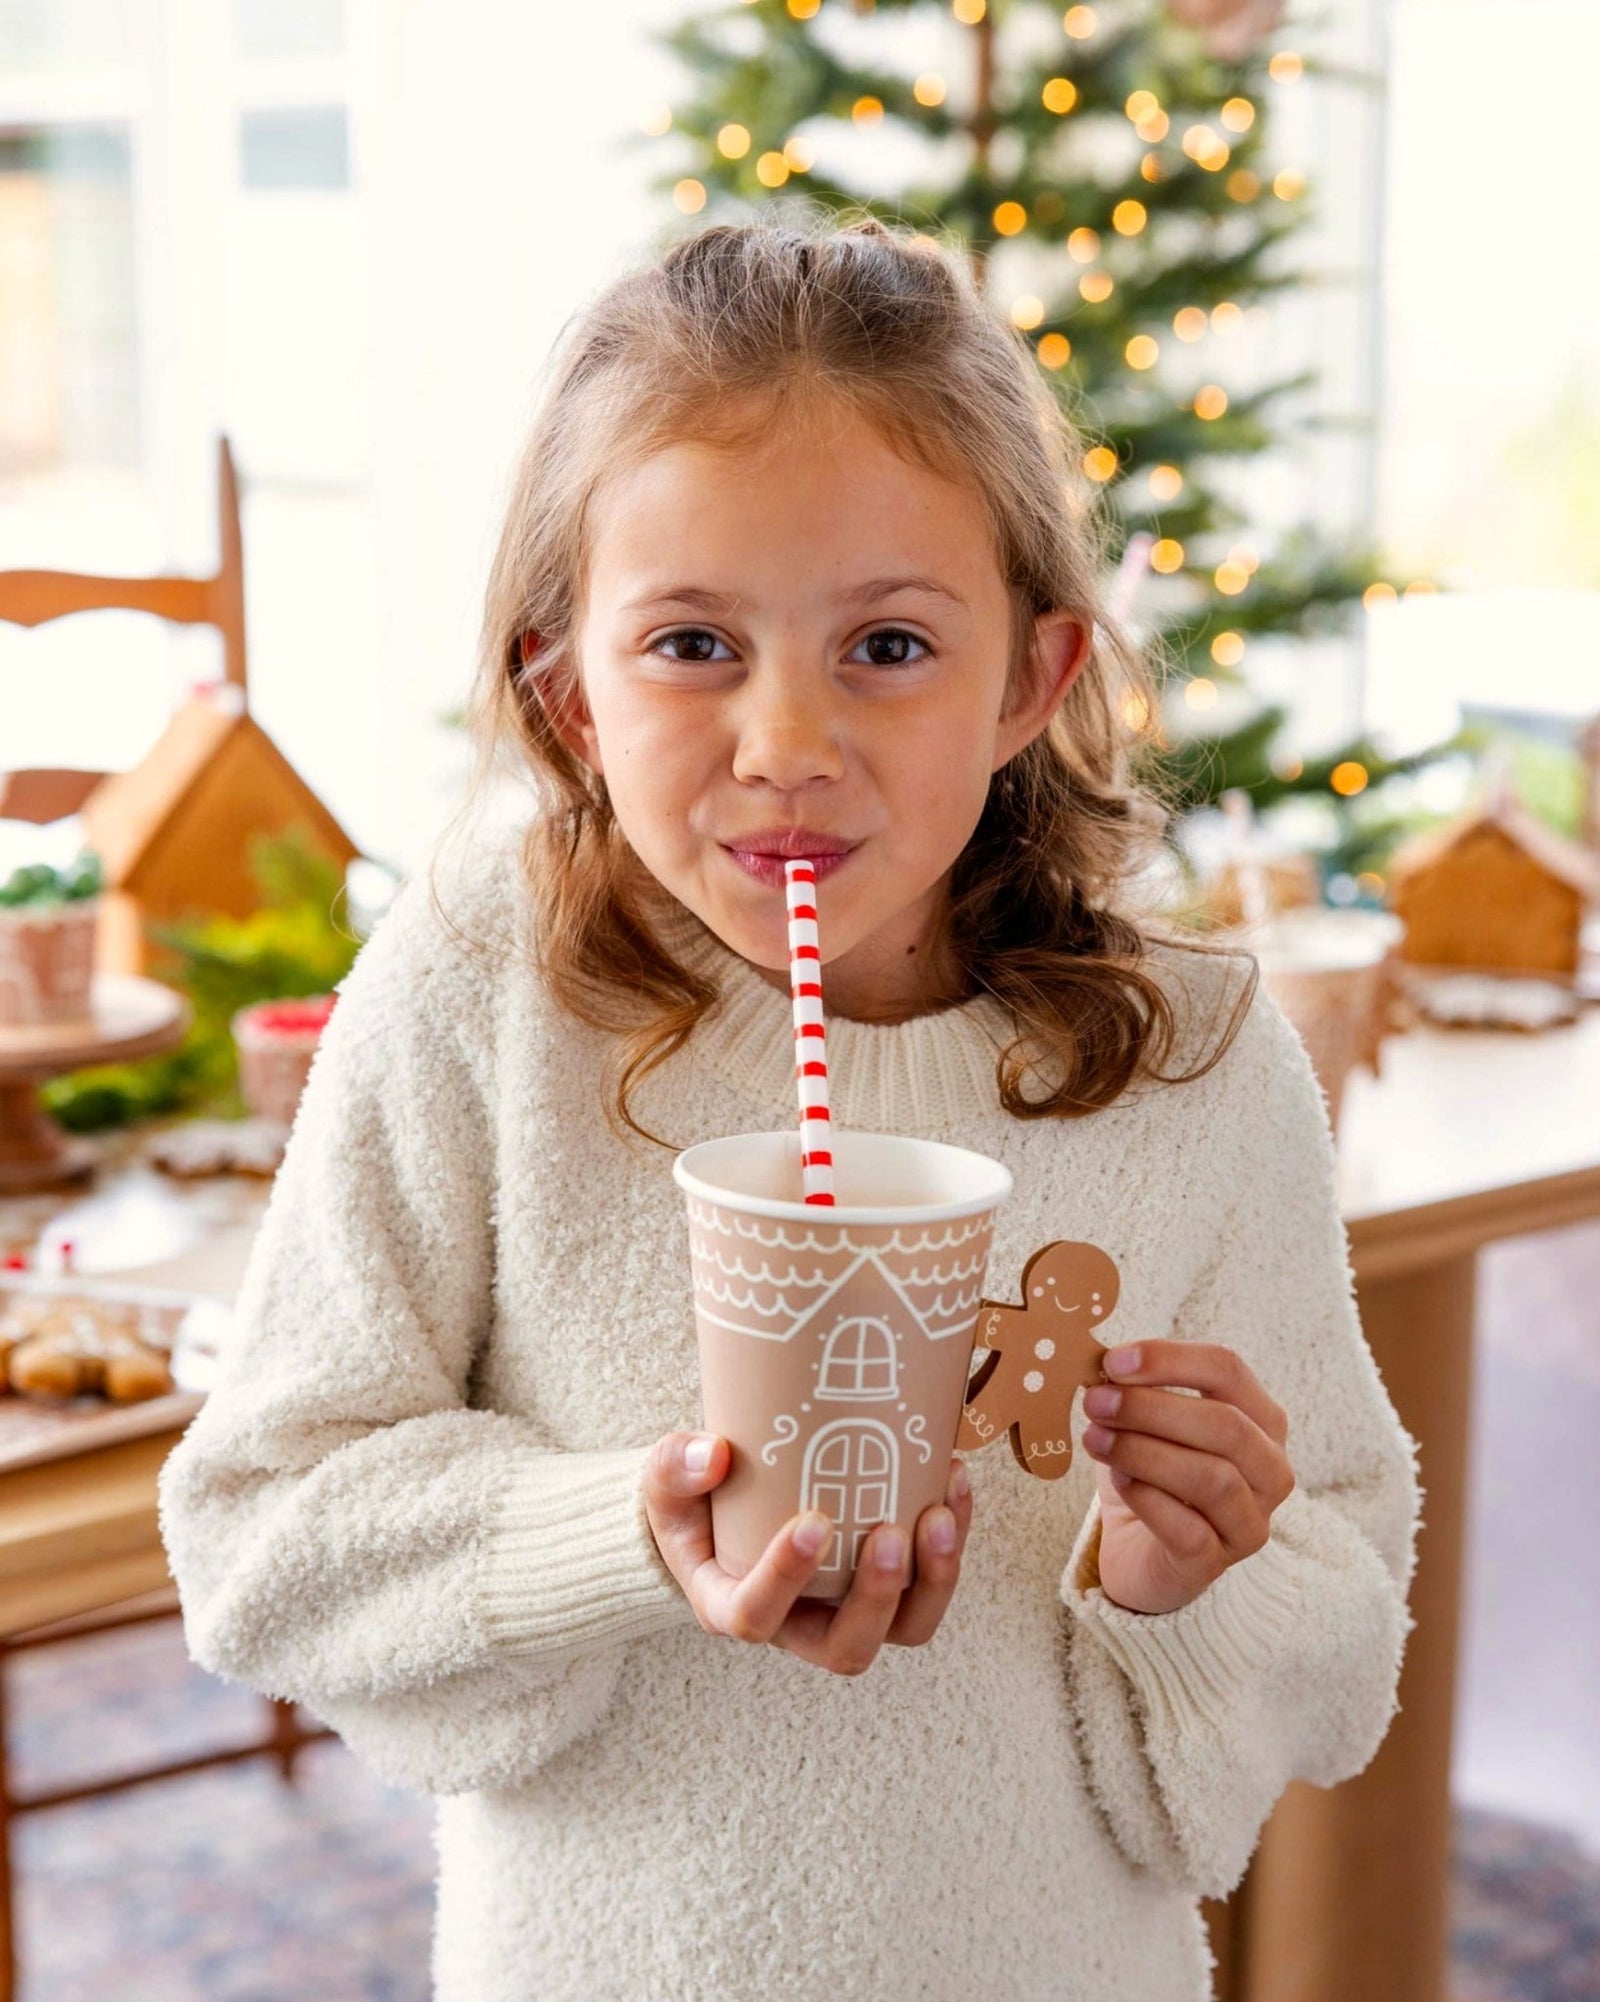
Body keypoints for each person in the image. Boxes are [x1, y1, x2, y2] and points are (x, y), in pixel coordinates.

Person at [159, 212, 1421, 2001]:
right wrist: (630, 1534)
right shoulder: (484, 985)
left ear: (1031, 680)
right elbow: (262, 1530)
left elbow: (1347, 1643)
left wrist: (1188, 1576)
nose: (786, 747)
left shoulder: (1196, 1063)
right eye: (691, 642)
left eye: (888, 646)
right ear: (568, 692)